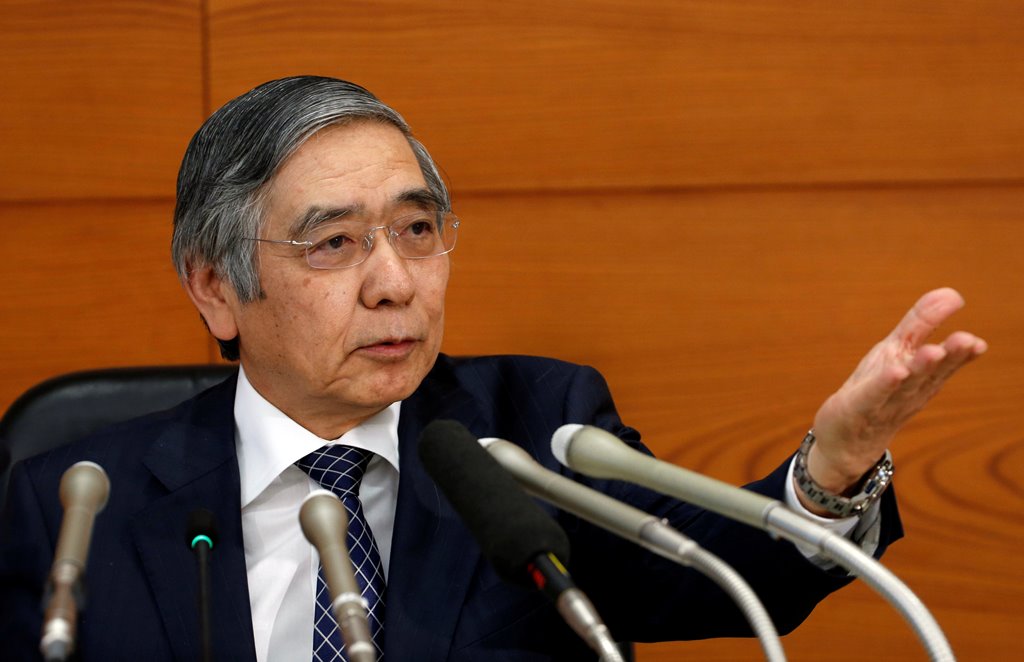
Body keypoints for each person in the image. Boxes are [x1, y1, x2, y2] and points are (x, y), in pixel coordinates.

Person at [0, 76, 986, 661]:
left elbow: (718, 579)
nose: (396, 283)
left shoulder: (532, 426)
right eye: (334, 243)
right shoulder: (75, 503)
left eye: (418, 229)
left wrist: (832, 466)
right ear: (215, 288)